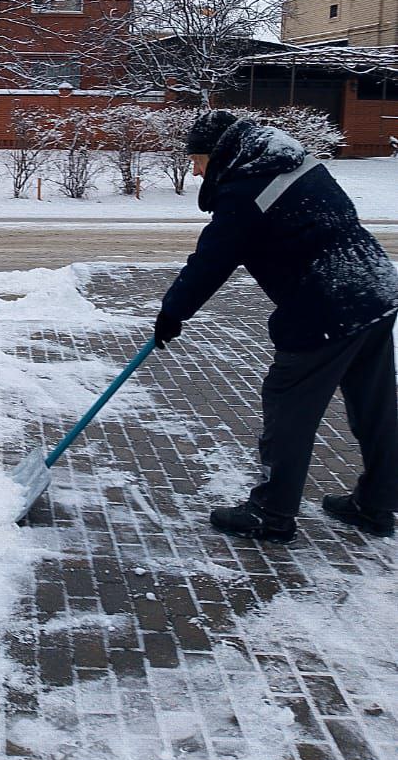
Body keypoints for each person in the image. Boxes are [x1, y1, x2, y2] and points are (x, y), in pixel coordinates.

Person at [154, 109, 398, 543]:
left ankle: (272, 512)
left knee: (290, 406)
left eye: (198, 159)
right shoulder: (290, 163)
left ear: (219, 153)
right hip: (376, 286)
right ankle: (377, 503)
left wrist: (172, 312)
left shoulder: (247, 189)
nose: (194, 170)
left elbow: (213, 260)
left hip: (326, 306)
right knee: (375, 405)